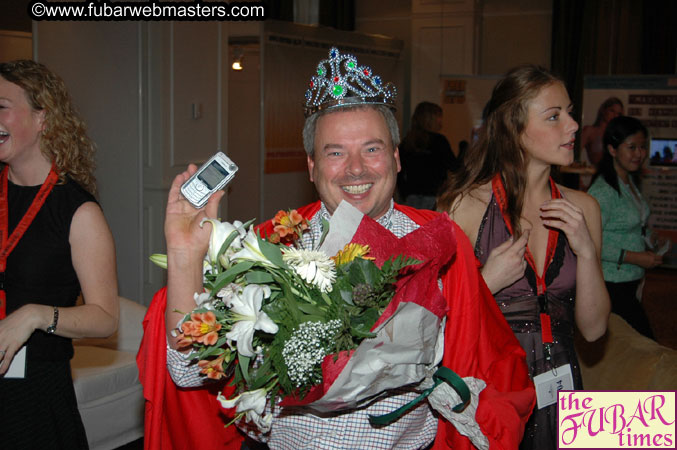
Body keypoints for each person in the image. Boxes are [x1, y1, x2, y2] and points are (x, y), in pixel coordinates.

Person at [139, 48, 535, 450]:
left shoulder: (440, 244)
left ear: (396, 159)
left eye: (372, 148)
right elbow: (188, 374)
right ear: (311, 167)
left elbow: (482, 361)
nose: (356, 169)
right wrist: (185, 251)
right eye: (335, 153)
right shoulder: (267, 247)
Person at [437, 65, 611, 450]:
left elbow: (595, 329)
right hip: (495, 389)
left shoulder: (584, 208)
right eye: (554, 116)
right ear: (514, 129)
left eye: (569, 112)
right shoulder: (465, 207)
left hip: (563, 383)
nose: (572, 126)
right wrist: (487, 283)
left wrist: (585, 250)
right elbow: (434, 325)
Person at [0, 60, 119, 448]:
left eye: (1, 106)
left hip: (34, 396)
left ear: (42, 120)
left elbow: (105, 320)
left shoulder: (77, 210)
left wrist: (34, 316)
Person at [587, 116, 660, 339]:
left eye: (642, 147)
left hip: (629, 280)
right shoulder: (603, 192)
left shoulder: (627, 181)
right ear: (612, 149)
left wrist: (648, 237)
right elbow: (590, 242)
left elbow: (631, 224)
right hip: (612, 283)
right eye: (631, 147)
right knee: (643, 345)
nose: (639, 154)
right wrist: (634, 257)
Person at [397, 102, 457, 210]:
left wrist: (404, 192)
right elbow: (454, 166)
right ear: (431, 118)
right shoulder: (439, 141)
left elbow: (398, 171)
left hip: (411, 197)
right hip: (433, 196)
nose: (441, 121)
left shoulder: (408, 142)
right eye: (439, 117)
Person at [580, 97, 624, 168]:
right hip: (598, 175)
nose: (615, 116)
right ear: (603, 110)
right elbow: (574, 155)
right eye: (612, 111)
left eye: (618, 114)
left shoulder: (619, 134)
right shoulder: (590, 131)